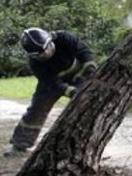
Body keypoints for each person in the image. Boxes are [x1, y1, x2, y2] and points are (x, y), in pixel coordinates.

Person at [5, 27, 97, 155]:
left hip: (79, 74)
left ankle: (85, 143)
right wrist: (70, 91)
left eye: (47, 47)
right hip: (53, 83)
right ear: (34, 56)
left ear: (50, 39)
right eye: (41, 53)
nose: (46, 52)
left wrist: (90, 70)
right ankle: (20, 143)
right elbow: (51, 82)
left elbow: (85, 52)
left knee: (84, 104)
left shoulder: (64, 37)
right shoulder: (35, 65)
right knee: (37, 109)